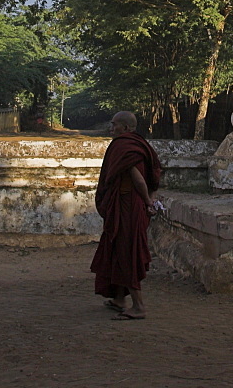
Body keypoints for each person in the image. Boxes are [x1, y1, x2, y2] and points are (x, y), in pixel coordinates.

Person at [90, 111, 162, 320]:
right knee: (117, 248)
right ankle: (119, 299)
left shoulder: (125, 146)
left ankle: (139, 306)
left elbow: (139, 179)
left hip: (129, 206)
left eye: (114, 125)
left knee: (127, 252)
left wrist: (149, 202)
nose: (111, 129)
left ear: (126, 128)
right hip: (127, 204)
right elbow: (154, 173)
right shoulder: (136, 144)